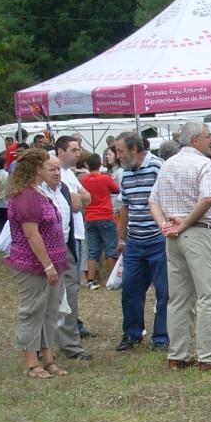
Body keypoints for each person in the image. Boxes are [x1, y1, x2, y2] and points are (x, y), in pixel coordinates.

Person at [149, 122, 211, 370]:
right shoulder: (204, 163)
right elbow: (208, 197)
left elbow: (153, 201)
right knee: (209, 296)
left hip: (174, 238)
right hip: (200, 233)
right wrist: (185, 223)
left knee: (179, 298)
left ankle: (178, 355)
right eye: (207, 136)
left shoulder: (168, 164)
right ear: (195, 140)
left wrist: (164, 225)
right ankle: (209, 357)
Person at [4, 149, 71, 379]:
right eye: (47, 166)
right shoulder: (26, 196)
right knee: (33, 311)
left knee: (49, 312)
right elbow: (32, 234)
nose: (53, 170)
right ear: (37, 169)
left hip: (54, 262)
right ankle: (32, 363)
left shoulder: (39, 192)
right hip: (35, 265)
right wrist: (47, 265)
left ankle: (48, 357)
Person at [114, 132, 169, 352]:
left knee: (164, 291)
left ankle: (162, 337)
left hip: (158, 239)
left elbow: (168, 199)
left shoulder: (158, 167)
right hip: (135, 242)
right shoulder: (124, 173)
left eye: (120, 151)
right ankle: (132, 333)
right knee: (130, 290)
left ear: (134, 149)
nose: (117, 155)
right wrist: (122, 238)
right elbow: (125, 207)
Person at [53, 136, 92, 356]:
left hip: (74, 235)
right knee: (65, 289)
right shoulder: (56, 173)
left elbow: (87, 198)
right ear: (60, 151)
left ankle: (71, 335)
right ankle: (65, 340)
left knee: (71, 288)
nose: (79, 154)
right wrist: (76, 197)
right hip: (61, 239)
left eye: (79, 150)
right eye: (74, 150)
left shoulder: (69, 174)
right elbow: (77, 202)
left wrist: (77, 197)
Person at [79, 152, 120, 289]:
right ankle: (112, 280)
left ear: (87, 165)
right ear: (100, 164)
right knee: (111, 248)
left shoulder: (83, 180)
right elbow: (116, 190)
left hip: (90, 217)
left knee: (92, 250)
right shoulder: (105, 178)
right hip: (106, 216)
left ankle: (91, 280)